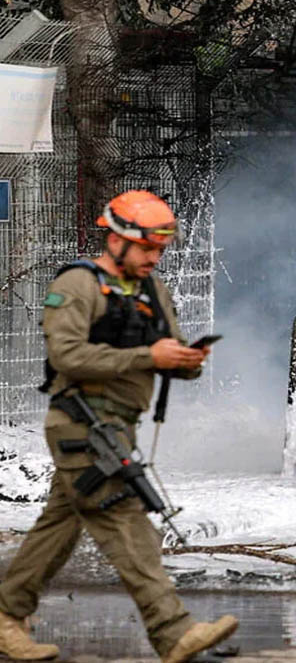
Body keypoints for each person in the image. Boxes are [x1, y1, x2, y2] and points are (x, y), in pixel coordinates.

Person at [0, 191, 237, 661]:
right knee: (126, 520)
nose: (155, 257)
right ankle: (172, 632)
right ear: (117, 240)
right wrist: (150, 356)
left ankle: (6, 617)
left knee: (59, 527)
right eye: (147, 247)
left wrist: (186, 361)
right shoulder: (78, 285)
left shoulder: (153, 292)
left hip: (120, 424)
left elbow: (173, 353)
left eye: (161, 249)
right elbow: (66, 355)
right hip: (80, 422)